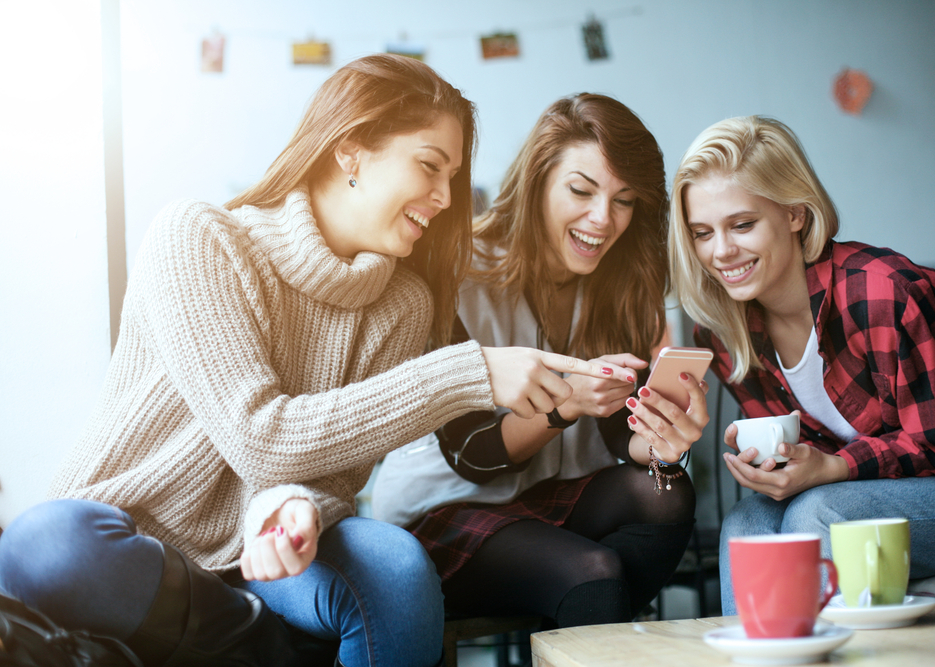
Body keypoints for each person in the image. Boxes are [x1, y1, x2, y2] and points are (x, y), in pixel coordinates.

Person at [0, 55, 631, 667]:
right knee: (44, 544)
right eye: (429, 166)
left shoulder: (403, 306)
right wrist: (471, 372)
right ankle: (263, 647)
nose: (443, 196)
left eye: (451, 177)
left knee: (396, 569)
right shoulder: (201, 238)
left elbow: (329, 473)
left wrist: (304, 507)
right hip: (138, 541)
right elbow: (260, 435)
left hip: (269, 552)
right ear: (350, 149)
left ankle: (241, 637)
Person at [373, 93, 705, 628]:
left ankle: (588, 616)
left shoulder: (621, 285)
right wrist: (563, 406)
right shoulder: (455, 275)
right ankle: (591, 608)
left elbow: (623, 441)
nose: (603, 219)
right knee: (594, 572)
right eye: (581, 190)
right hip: (446, 510)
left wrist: (663, 438)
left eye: (624, 200)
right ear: (537, 183)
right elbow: (472, 453)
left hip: (553, 507)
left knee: (666, 490)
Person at [666, 115, 935, 615]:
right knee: (747, 525)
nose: (721, 251)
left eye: (742, 225)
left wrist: (833, 468)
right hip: (868, 494)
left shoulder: (885, 291)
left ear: (796, 214)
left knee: (818, 513)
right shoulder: (723, 331)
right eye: (701, 233)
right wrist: (776, 466)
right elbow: (809, 452)